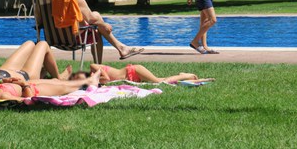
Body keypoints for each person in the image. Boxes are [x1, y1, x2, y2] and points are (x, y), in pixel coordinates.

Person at [48, 0, 144, 64]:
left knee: (96, 16)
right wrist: (104, 24)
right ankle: (101, 65)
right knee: (96, 30)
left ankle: (121, 48)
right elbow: (91, 19)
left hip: (52, 39)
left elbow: (39, 21)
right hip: (73, 39)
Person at [0, 40, 72, 91]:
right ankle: (59, 78)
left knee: (29, 43)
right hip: (25, 75)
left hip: (5, 70)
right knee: (43, 44)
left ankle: (44, 71)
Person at [0, 69, 101, 104]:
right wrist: (24, 85)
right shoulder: (1, 96)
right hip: (33, 90)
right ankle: (91, 81)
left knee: (56, 80)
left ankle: (89, 79)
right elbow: (27, 100)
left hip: (28, 84)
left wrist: (6, 81)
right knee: (63, 86)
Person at [71, 63, 215, 84]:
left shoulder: (92, 66)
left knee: (161, 83)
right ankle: (191, 78)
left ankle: (186, 75)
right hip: (132, 76)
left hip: (133, 71)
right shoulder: (93, 78)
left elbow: (107, 78)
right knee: (161, 80)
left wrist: (92, 78)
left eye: (77, 77)